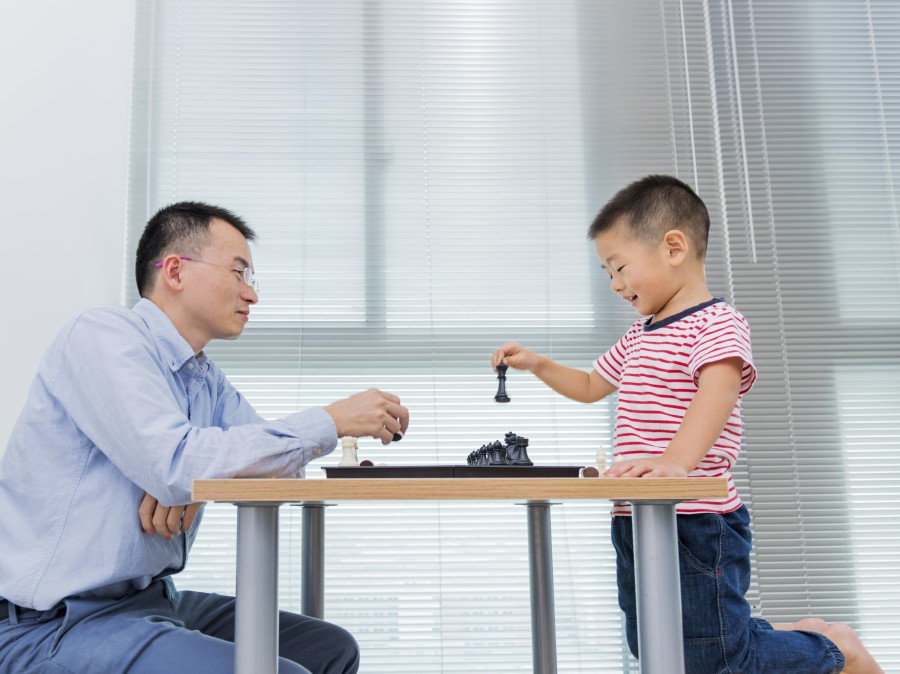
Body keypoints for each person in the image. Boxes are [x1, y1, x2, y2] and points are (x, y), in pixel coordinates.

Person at [491, 175, 883, 674]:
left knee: (708, 656)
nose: (614, 284)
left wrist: (676, 463)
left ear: (673, 247)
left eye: (619, 268)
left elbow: (717, 395)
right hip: (637, 515)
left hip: (694, 517)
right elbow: (591, 385)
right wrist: (538, 363)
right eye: (607, 272)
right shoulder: (640, 336)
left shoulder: (716, 323)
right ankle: (805, 635)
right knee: (653, 641)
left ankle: (836, 651)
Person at [0, 201, 409, 674]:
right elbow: (179, 464)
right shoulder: (103, 336)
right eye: (239, 273)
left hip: (149, 600)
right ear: (175, 270)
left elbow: (278, 469)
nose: (251, 295)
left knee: (332, 649)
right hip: (53, 623)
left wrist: (191, 481)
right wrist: (330, 420)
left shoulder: (205, 380)